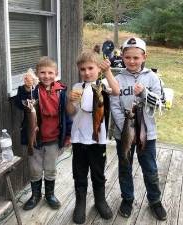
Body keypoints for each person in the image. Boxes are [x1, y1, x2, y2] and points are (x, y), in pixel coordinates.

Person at [110, 37, 167, 220]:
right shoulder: (117, 79)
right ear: (123, 57)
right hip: (124, 134)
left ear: (144, 57)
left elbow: (160, 103)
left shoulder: (152, 77)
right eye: (128, 57)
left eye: (136, 57)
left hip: (147, 134)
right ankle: (127, 199)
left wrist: (144, 92)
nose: (132, 61)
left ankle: (155, 201)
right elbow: (115, 105)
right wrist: (127, 128)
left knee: (150, 168)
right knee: (125, 167)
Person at [66, 51, 120, 224]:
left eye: (91, 68)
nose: (87, 72)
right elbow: (71, 113)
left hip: (98, 140)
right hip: (78, 139)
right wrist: (69, 100)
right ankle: (80, 203)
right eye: (83, 69)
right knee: (79, 174)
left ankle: (100, 201)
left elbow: (117, 91)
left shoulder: (103, 84)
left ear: (98, 69)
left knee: (98, 173)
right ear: (79, 70)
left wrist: (108, 72)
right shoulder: (76, 87)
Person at [15, 56, 72, 211]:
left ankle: (50, 195)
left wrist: (68, 135)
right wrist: (27, 88)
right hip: (35, 139)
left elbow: (66, 115)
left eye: (50, 72)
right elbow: (20, 103)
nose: (46, 76)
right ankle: (35, 195)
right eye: (42, 72)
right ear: (37, 74)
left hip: (54, 139)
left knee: (50, 168)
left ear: (56, 73)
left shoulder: (61, 92)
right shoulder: (32, 90)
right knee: (35, 169)